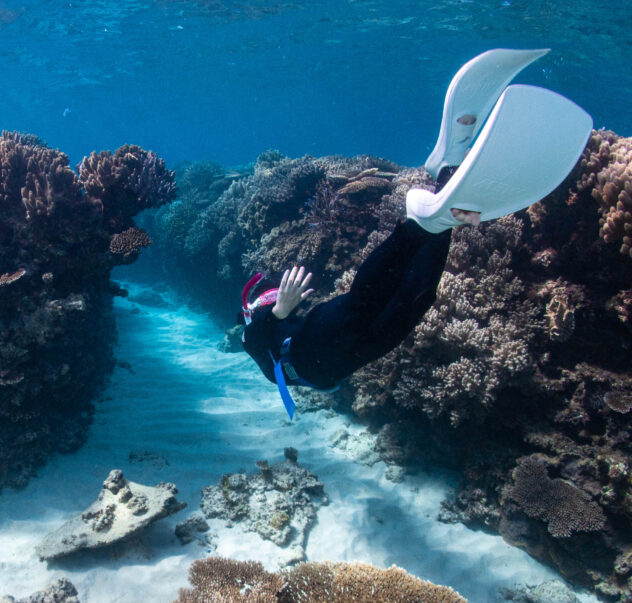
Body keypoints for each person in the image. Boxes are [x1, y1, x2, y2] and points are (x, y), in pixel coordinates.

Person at [240, 48, 593, 419]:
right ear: (249, 311)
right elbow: (255, 338)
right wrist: (277, 312)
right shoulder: (251, 332)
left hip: (312, 346)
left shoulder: (271, 332)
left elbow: (269, 334)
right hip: (343, 360)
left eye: (273, 299)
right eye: (265, 302)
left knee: (362, 307)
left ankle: (414, 227)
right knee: (417, 301)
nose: (275, 301)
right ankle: (445, 180)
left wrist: (279, 313)